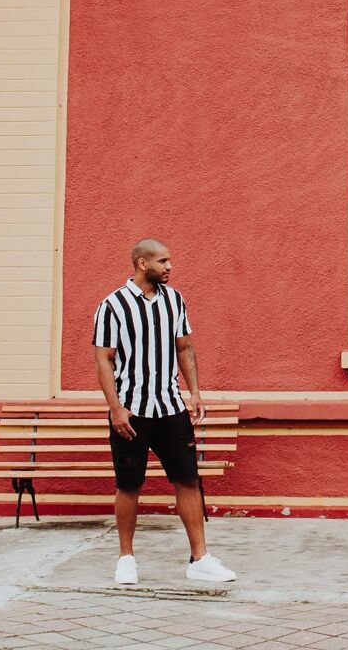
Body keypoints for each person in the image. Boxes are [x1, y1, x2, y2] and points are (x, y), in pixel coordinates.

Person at [93, 238, 235, 586]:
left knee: (188, 480)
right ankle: (126, 558)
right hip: (132, 411)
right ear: (142, 263)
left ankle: (200, 558)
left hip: (171, 407)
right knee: (129, 485)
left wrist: (195, 393)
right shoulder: (113, 305)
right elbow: (104, 359)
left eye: (170, 261)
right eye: (163, 261)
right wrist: (115, 409)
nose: (170, 267)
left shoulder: (175, 300)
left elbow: (184, 347)